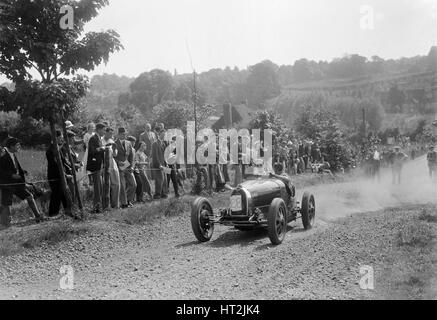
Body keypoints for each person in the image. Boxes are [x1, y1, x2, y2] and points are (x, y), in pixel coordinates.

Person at [0, 137, 44, 223]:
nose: (19, 146)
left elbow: (14, 167)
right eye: (17, 145)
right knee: (7, 204)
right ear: (11, 146)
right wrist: (12, 175)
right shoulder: (3, 156)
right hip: (7, 184)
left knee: (29, 196)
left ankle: (38, 216)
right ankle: (7, 222)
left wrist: (22, 172)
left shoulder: (13, 153)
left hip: (17, 183)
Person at [46, 130, 74, 217]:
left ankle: (68, 212)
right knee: (56, 196)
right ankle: (53, 214)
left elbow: (63, 162)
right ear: (56, 137)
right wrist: (65, 175)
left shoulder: (58, 147)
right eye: (61, 137)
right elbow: (55, 166)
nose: (62, 138)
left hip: (61, 176)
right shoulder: (51, 150)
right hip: (55, 177)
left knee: (65, 194)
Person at [115, 128, 137, 208]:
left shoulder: (128, 143)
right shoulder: (114, 143)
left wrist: (132, 166)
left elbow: (131, 156)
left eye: (125, 134)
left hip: (128, 167)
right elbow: (112, 157)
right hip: (119, 168)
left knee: (133, 184)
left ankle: (128, 200)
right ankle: (124, 203)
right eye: (122, 134)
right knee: (123, 186)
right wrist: (118, 162)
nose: (124, 135)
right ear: (118, 134)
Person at [87, 123, 106, 213]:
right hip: (95, 166)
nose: (104, 131)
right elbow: (91, 151)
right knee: (97, 187)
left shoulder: (99, 138)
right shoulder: (93, 138)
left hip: (100, 165)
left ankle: (99, 206)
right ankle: (96, 207)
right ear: (98, 130)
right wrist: (101, 149)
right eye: (103, 130)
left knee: (100, 186)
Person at [101, 127, 120, 209]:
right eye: (110, 133)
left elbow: (115, 154)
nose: (111, 135)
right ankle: (104, 204)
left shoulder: (112, 141)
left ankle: (115, 204)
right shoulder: (101, 140)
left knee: (116, 183)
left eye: (112, 133)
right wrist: (105, 147)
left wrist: (115, 148)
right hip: (103, 162)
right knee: (105, 183)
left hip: (112, 162)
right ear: (105, 132)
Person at [151, 128, 168, 199]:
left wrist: (166, 163)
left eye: (165, 134)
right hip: (158, 165)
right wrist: (159, 165)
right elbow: (155, 156)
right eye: (163, 134)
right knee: (159, 179)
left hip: (163, 164)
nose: (164, 136)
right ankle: (157, 194)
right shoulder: (155, 144)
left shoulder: (163, 143)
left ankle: (164, 194)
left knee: (165, 179)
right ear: (159, 134)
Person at [0, 131, 11, 228]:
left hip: (6, 179)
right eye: (7, 139)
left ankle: (7, 221)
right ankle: (4, 222)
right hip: (2, 179)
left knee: (6, 199)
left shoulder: (4, 149)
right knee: (3, 200)